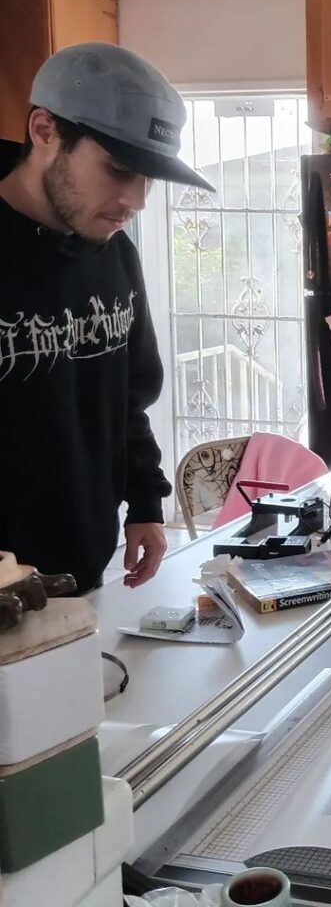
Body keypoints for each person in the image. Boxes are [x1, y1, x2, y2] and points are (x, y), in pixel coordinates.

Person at [0, 43, 214, 594]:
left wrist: (145, 501)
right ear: (45, 130)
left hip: (81, 567)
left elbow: (126, 397)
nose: (136, 200)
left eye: (149, 178)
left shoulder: (115, 252)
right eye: (119, 170)